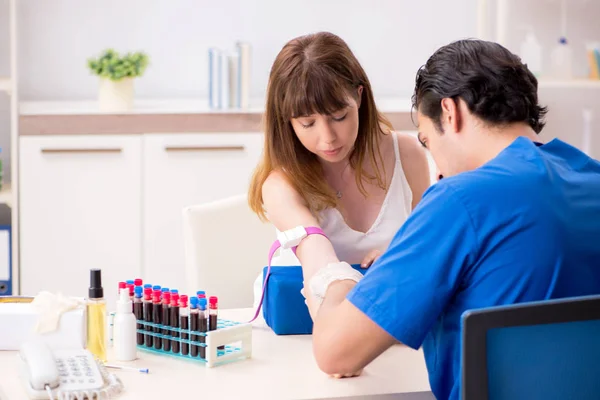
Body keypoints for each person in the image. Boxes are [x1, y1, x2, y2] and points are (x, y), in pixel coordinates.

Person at [306, 39, 600, 400]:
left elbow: (336, 353)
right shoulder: (592, 179)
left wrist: (335, 279)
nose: (438, 170)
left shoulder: (459, 200)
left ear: (450, 112)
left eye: (428, 142)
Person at [247, 31, 431, 310]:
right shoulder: (281, 185)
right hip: (306, 332)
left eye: (339, 117)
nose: (328, 137)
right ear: (287, 120)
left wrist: (401, 261)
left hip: (392, 320)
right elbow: (320, 266)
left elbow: (428, 252)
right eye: (308, 123)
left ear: (359, 97)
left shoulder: (407, 155)